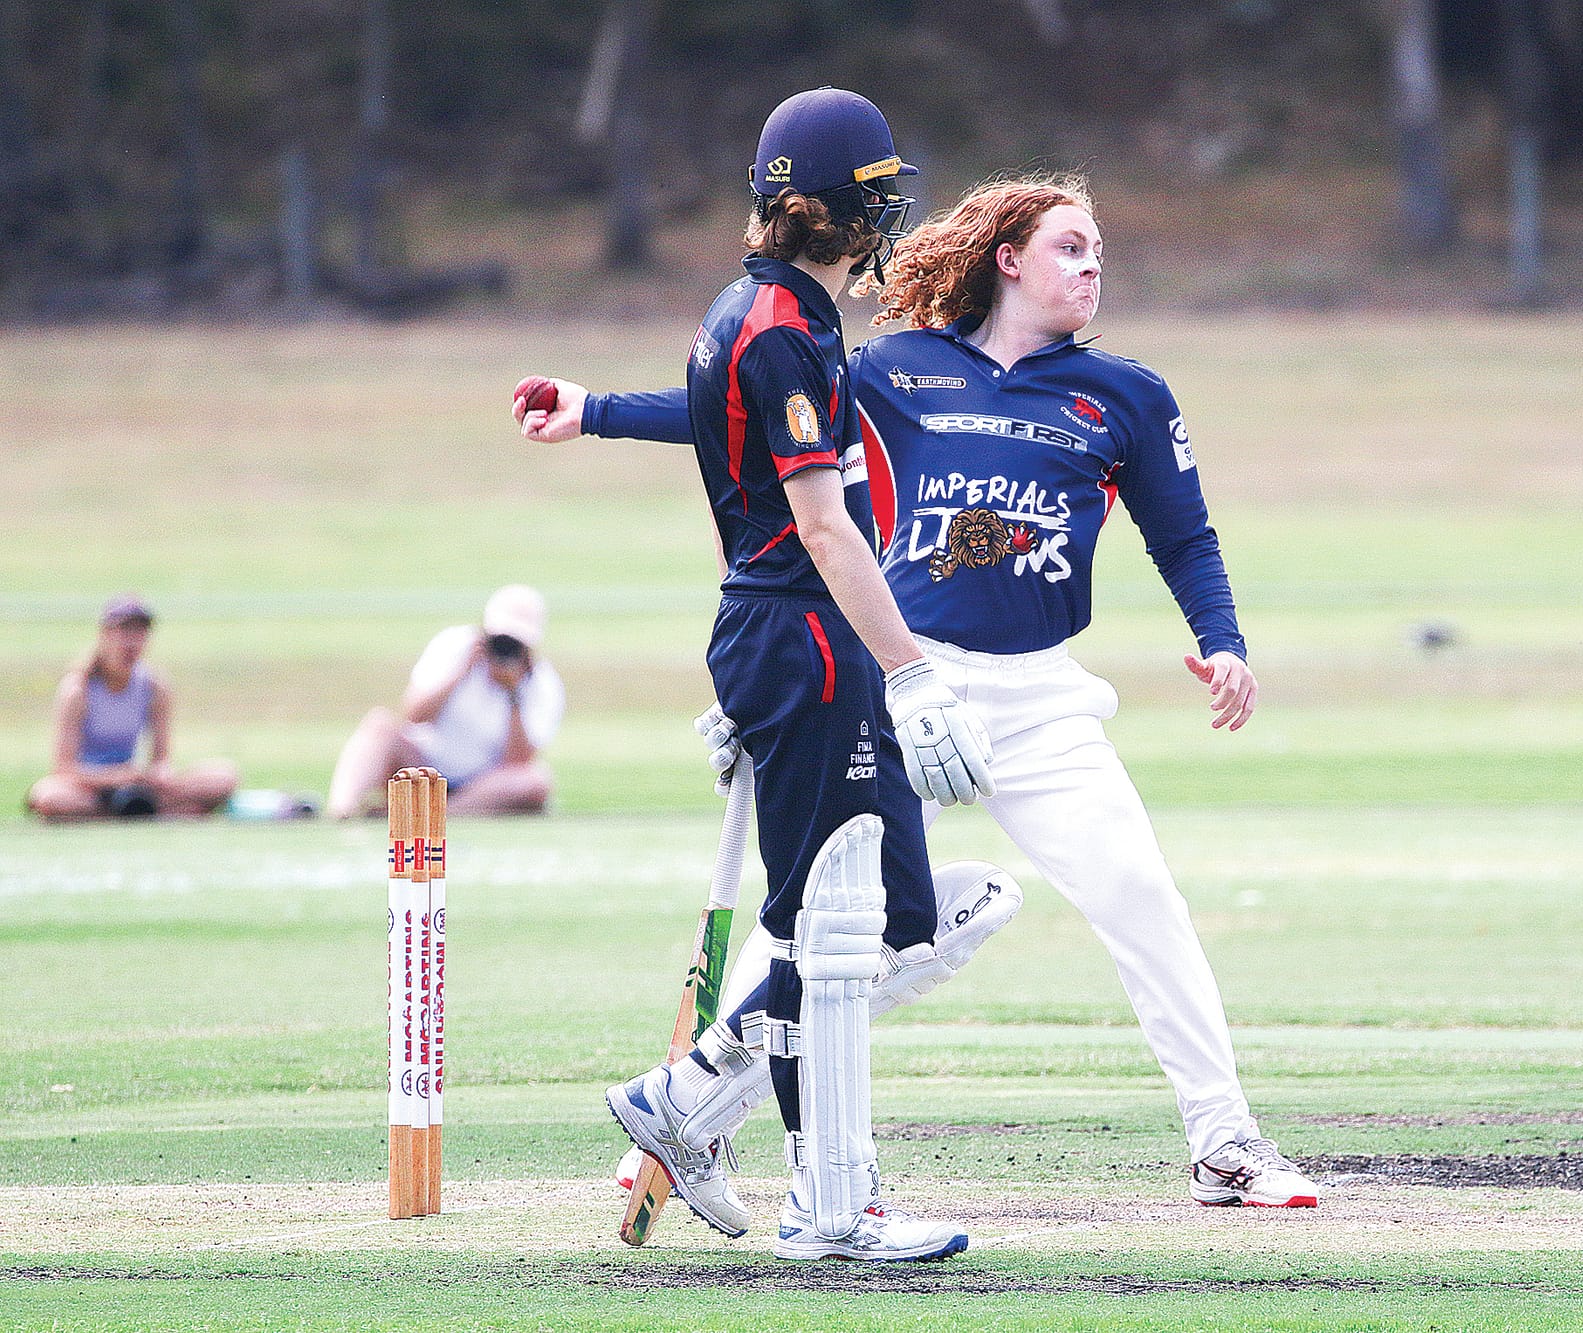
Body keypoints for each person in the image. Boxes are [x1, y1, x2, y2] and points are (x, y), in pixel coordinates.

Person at [526, 174, 1319, 1210]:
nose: (1092, 268)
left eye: (1098, 254)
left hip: (1040, 704)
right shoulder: (900, 367)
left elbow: (1184, 535)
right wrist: (594, 412)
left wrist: (1221, 642)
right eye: (1071, 248)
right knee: (811, 918)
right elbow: (757, 419)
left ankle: (1225, 1146)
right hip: (900, 680)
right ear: (1008, 259)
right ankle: (693, 1127)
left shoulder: (1126, 395)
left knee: (1141, 898)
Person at [522, 88, 994, 1263]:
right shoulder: (783, 324)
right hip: (804, 630)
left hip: (780, 634)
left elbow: (712, 414)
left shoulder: (759, 307)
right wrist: (913, 671)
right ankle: (830, 1207)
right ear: (830, 211)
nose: (889, 219)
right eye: (876, 199)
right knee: (833, 932)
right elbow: (826, 526)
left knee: (884, 918)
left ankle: (687, 1102)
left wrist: (592, 412)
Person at [326, 584, 563, 818]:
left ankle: (441, 814)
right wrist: (461, 671)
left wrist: (513, 695)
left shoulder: (543, 684)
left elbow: (518, 761)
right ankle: (341, 812)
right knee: (379, 726)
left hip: (483, 786)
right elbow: (413, 715)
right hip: (425, 771)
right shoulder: (455, 646)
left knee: (536, 780)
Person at [26, 595, 238, 821]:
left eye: (140, 633)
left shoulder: (154, 685)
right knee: (49, 797)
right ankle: (153, 813)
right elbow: (64, 768)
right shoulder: (77, 690)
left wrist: (156, 775)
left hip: (137, 783)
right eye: (124, 632)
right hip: (90, 787)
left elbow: (161, 759)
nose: (132, 642)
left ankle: (127, 812)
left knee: (223, 776)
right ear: (105, 635)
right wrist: (117, 777)